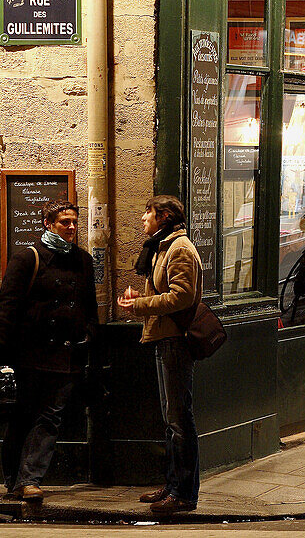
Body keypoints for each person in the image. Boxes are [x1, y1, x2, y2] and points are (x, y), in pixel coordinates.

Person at [0, 200, 97, 502]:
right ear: (47, 224)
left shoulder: (83, 260)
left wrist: (88, 335)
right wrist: (4, 357)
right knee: (21, 417)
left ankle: (30, 479)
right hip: (28, 355)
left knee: (50, 418)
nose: (72, 228)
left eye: (75, 222)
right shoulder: (28, 259)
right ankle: (14, 479)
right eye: (65, 222)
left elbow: (89, 305)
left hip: (66, 355)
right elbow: (7, 307)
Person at [117, 195, 201, 515]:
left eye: (147, 213)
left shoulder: (179, 249)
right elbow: (165, 292)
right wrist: (144, 297)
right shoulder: (163, 247)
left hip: (175, 340)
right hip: (163, 336)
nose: (142, 218)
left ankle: (184, 494)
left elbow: (181, 296)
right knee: (171, 421)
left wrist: (139, 304)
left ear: (163, 216)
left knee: (180, 420)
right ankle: (172, 484)